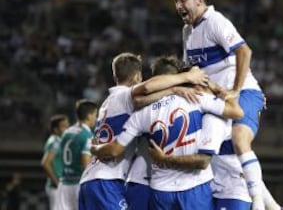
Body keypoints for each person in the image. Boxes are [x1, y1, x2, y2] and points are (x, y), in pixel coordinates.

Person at [172, 0, 279, 210]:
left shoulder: (215, 21)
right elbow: (190, 70)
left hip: (242, 92)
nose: (178, 5)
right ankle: (274, 207)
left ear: (199, 0)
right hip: (215, 98)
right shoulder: (187, 31)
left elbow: (244, 51)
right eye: (175, 0)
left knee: (240, 141)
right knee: (226, 156)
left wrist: (236, 90)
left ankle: (258, 204)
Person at [90, 56, 244, 210]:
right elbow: (237, 112)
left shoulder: (141, 111)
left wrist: (94, 148)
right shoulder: (196, 97)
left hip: (158, 188)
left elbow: (116, 148)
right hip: (195, 184)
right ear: (176, 77)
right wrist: (214, 87)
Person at [57, 99, 98, 210]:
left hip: (64, 183)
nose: (96, 118)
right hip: (77, 183)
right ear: (89, 116)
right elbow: (85, 162)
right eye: (95, 115)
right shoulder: (87, 135)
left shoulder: (67, 132)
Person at [41, 114, 70, 210]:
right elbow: (45, 163)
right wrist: (57, 182)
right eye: (64, 126)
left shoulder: (60, 141)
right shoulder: (55, 142)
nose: (67, 128)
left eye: (68, 125)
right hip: (56, 187)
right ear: (56, 129)